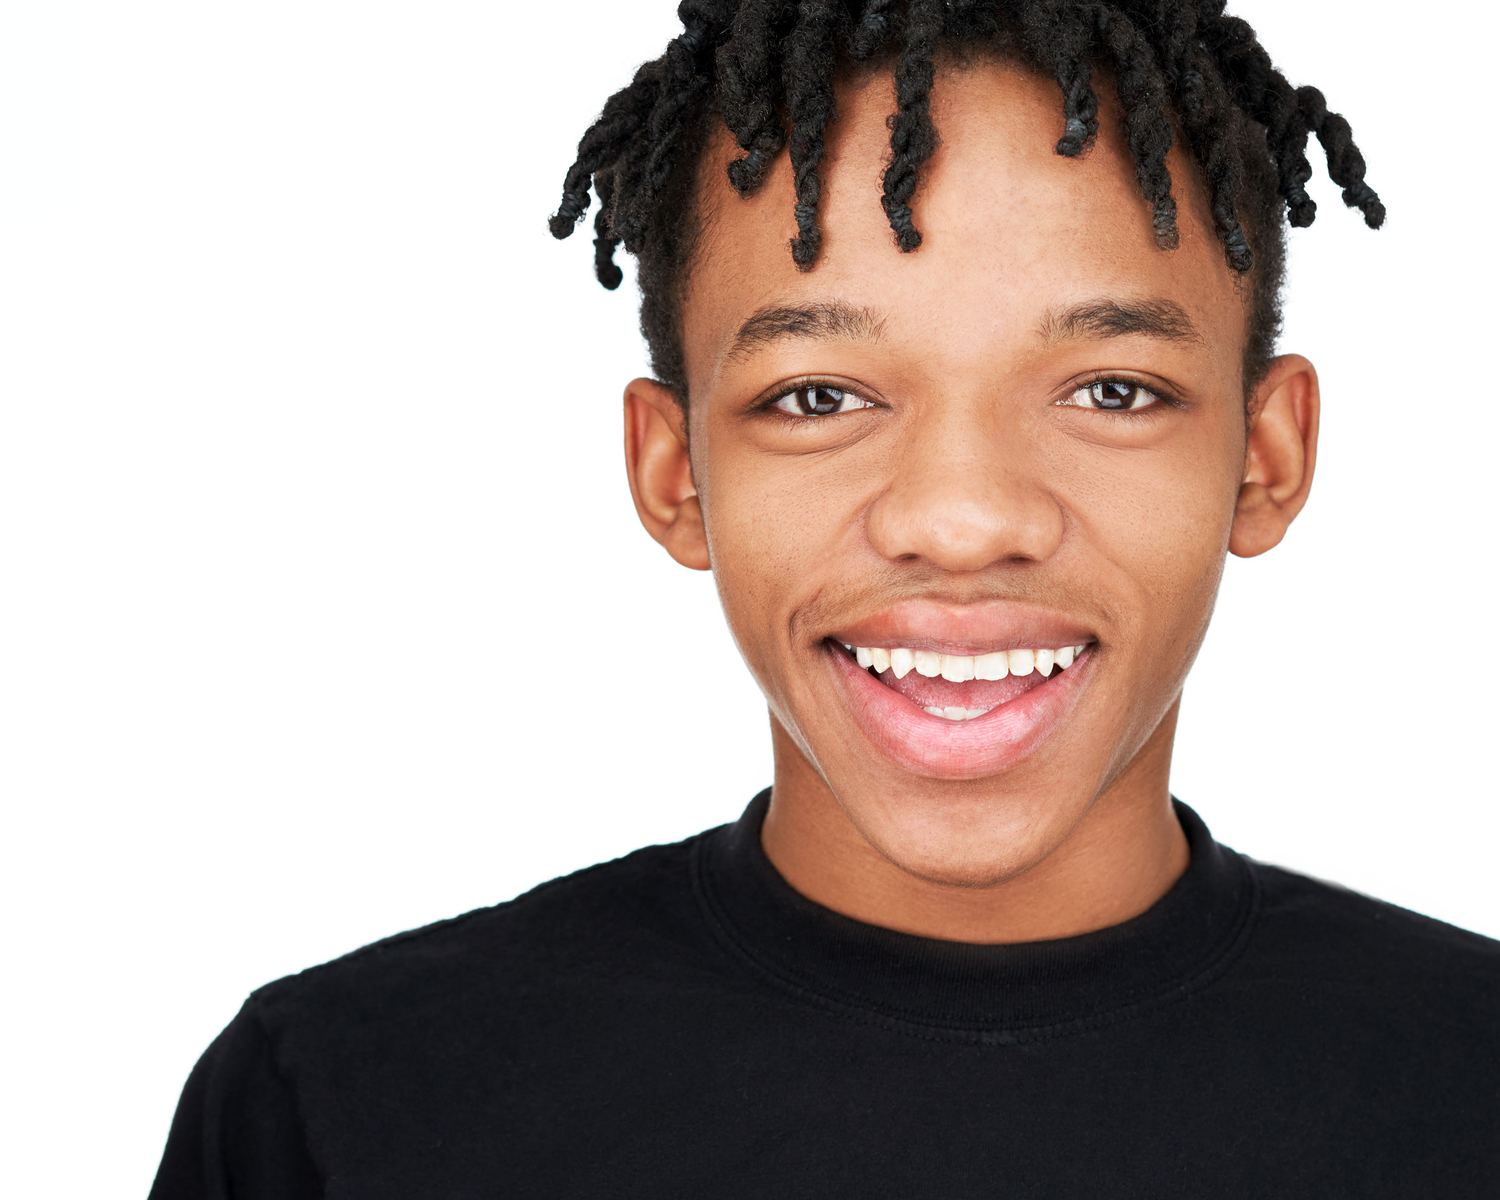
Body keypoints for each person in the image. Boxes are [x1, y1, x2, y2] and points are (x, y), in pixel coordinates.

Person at [148, 2, 1500, 1195]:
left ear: (1266, 459)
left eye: (1111, 390)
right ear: (675, 475)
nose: (961, 522)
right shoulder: (344, 1109)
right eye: (817, 397)